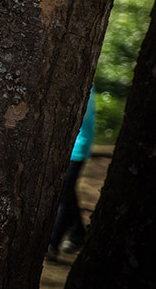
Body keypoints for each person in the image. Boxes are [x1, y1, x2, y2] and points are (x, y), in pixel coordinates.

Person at [47, 88, 95, 259]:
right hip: (72, 147)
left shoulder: (84, 87)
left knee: (63, 195)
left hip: (76, 148)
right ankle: (78, 232)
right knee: (67, 194)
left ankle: (53, 243)